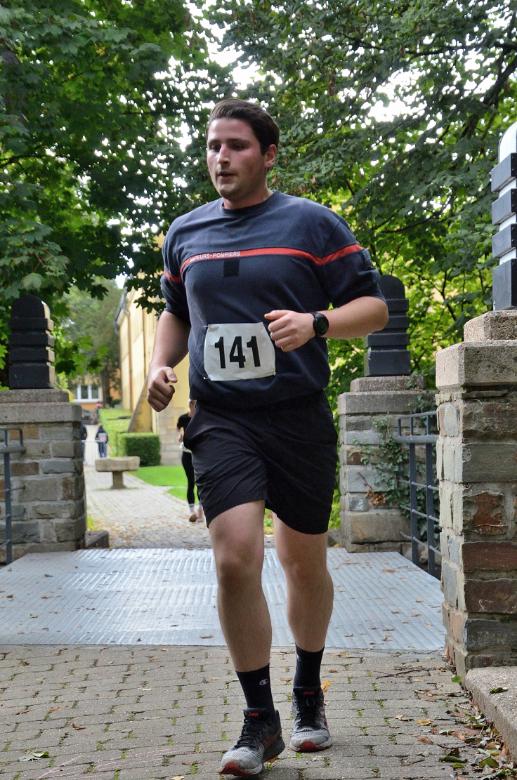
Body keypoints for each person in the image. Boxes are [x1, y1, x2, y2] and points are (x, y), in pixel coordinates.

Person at [147, 98, 388, 777]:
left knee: (302, 561)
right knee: (234, 557)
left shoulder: (311, 224)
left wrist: (317, 323)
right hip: (222, 418)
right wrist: (160, 366)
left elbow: (372, 308)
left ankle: (308, 690)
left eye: (236, 145)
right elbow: (175, 313)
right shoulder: (185, 232)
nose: (221, 157)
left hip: (297, 415)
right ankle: (260, 719)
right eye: (212, 146)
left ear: (268, 154)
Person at [177, 399, 202, 522]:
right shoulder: (183, 418)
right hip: (187, 454)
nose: (193, 406)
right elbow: (179, 433)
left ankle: (201, 511)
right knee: (191, 482)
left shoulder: (201, 418)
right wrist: (181, 436)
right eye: (192, 403)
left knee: (200, 483)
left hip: (200, 454)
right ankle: (192, 512)